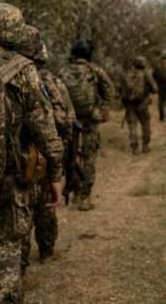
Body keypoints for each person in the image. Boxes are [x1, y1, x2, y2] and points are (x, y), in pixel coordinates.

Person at [0, 5, 64, 304]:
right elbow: (45, 129)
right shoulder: (23, 69)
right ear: (13, 32)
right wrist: (55, 175)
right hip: (6, 180)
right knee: (4, 258)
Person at [26, 31, 76, 268]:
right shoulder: (51, 81)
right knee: (46, 204)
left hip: (13, 159)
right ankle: (46, 250)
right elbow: (66, 120)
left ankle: (19, 263)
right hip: (42, 156)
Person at [60, 39, 115, 211]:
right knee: (89, 157)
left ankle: (75, 191)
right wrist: (102, 109)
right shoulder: (95, 70)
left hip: (69, 120)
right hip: (90, 119)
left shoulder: (63, 71)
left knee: (71, 156)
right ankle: (85, 197)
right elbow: (109, 90)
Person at [120, 55, 159, 154]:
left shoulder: (127, 74)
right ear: (144, 64)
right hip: (142, 103)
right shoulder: (146, 74)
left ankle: (135, 148)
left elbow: (121, 89)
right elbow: (155, 89)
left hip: (129, 104)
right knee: (145, 124)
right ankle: (145, 146)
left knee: (132, 126)